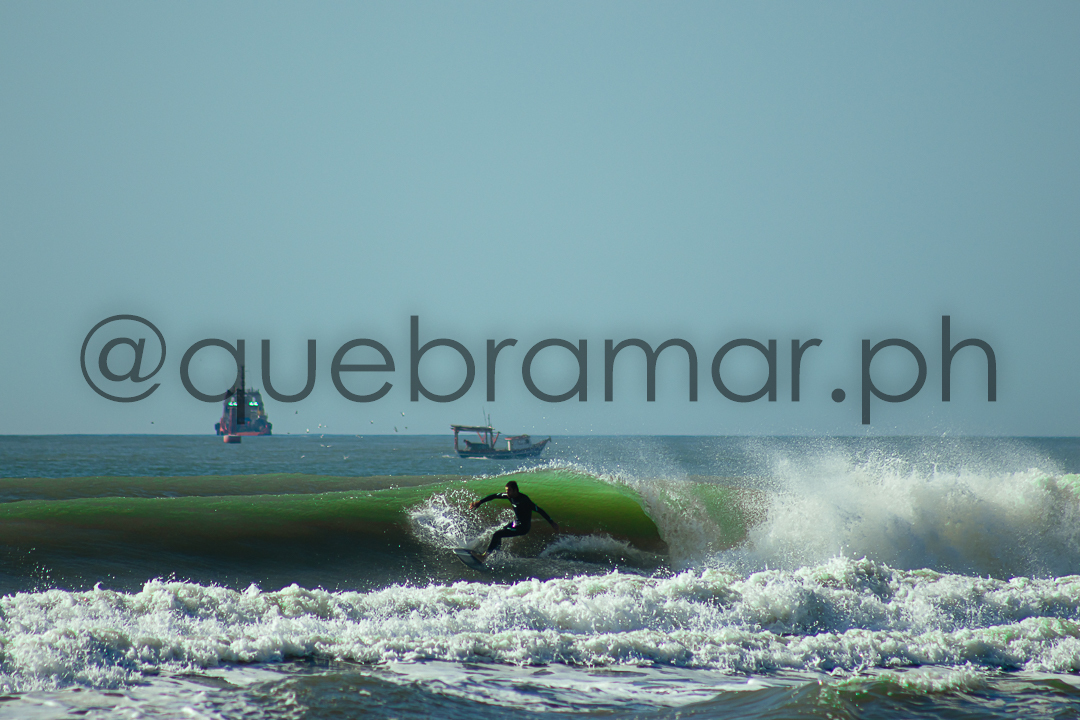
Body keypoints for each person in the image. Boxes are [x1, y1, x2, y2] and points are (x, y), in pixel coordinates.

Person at [469, 480, 558, 559]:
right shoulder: (509, 496)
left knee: (497, 534)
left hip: (523, 528)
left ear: (515, 490)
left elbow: (539, 510)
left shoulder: (524, 500)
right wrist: (480, 502)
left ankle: (485, 556)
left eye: (509, 491)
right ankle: (495, 555)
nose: (507, 493)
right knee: (500, 533)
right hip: (516, 523)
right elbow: (494, 495)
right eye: (506, 491)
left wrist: (551, 522)